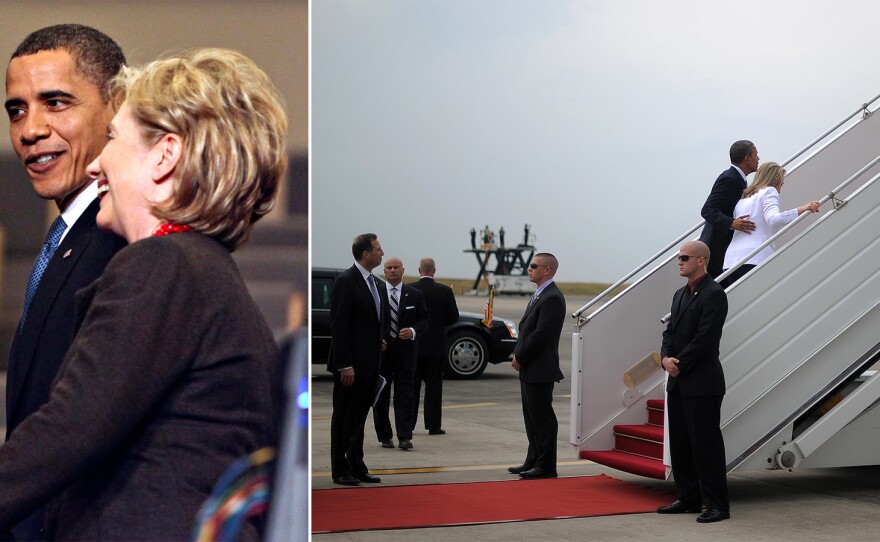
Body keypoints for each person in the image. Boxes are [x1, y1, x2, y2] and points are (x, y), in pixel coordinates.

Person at [0, 48, 287, 540]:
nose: (96, 166)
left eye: (113, 137)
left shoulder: (163, 266)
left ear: (165, 154)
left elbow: (68, 432)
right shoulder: (202, 269)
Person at [3, 24, 128, 541]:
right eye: (16, 110)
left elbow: (78, 431)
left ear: (117, 107)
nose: (30, 129)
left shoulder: (120, 246)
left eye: (55, 103)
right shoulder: (68, 237)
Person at [657, 240, 730, 523]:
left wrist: (680, 363)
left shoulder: (714, 293)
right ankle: (688, 498)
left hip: (702, 382)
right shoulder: (679, 294)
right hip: (678, 381)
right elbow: (669, 332)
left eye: (685, 257)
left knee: (706, 446)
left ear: (701, 261)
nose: (680, 261)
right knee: (682, 445)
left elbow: (706, 338)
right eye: (678, 257)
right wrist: (666, 358)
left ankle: (718, 506)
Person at [328, 233, 386, 486]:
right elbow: (340, 326)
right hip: (350, 367)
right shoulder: (347, 280)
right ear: (366, 254)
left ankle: (356, 465)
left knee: (359, 419)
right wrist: (345, 364)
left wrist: (378, 341)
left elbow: (369, 322)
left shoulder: (374, 282)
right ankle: (339, 469)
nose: (381, 253)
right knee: (344, 418)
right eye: (378, 249)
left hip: (369, 364)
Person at [507, 253, 565, 479]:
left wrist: (519, 356)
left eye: (533, 266)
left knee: (543, 418)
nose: (528, 269)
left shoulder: (552, 297)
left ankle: (547, 465)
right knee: (531, 417)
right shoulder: (541, 295)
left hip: (539, 367)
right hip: (531, 367)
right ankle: (533, 459)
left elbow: (541, 335)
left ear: (547, 270)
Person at [722, 162, 820, 284]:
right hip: (755, 257)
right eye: (781, 185)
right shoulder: (769, 191)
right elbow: (774, 219)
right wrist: (804, 208)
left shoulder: (743, 198)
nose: (779, 190)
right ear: (775, 181)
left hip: (730, 261)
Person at [372, 257, 428, 450]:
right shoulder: (376, 293)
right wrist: (376, 339)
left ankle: (405, 436)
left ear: (403, 270)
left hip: (406, 354)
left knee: (405, 396)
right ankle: (384, 435)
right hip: (383, 354)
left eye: (396, 267)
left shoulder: (415, 294)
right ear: (384, 271)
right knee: (381, 396)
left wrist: (412, 331)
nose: (393, 270)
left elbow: (424, 320)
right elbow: (368, 321)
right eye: (389, 268)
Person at [409, 257, 459, 435]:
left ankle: (409, 424)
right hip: (436, 346)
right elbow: (453, 317)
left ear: (419, 270)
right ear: (434, 271)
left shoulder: (410, 289)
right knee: (434, 388)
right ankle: (433, 425)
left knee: (412, 387)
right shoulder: (445, 291)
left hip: (414, 345)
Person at [700, 140, 759, 281]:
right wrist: (731, 223)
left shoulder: (738, 178)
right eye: (756, 154)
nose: (758, 158)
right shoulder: (729, 178)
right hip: (716, 252)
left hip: (724, 252)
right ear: (747, 158)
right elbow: (707, 210)